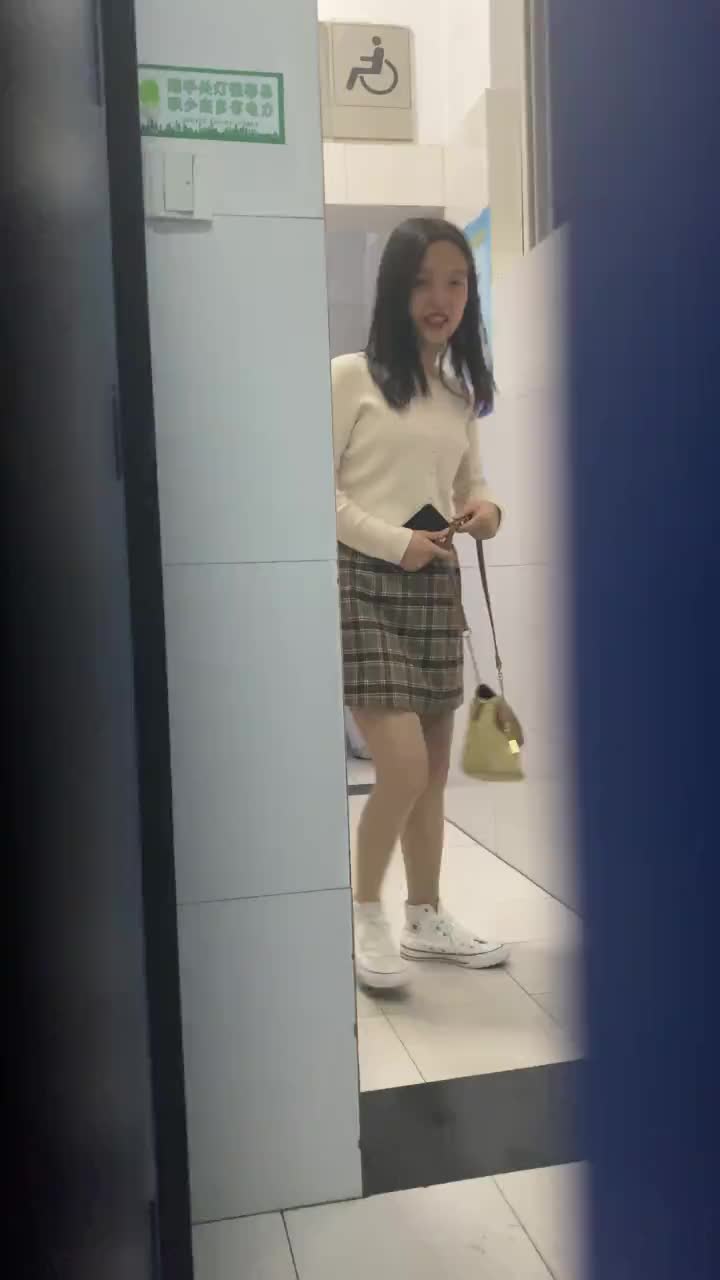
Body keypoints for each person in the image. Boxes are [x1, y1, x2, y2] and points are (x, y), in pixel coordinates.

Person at [332, 217, 510, 991]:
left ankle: (425, 915)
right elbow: (315, 491)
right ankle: (366, 910)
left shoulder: (457, 396)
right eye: (422, 282)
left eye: (456, 282)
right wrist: (391, 541)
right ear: (394, 292)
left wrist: (487, 512)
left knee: (432, 773)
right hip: (363, 583)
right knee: (401, 768)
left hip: (436, 581)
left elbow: (473, 484)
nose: (441, 298)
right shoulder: (350, 377)